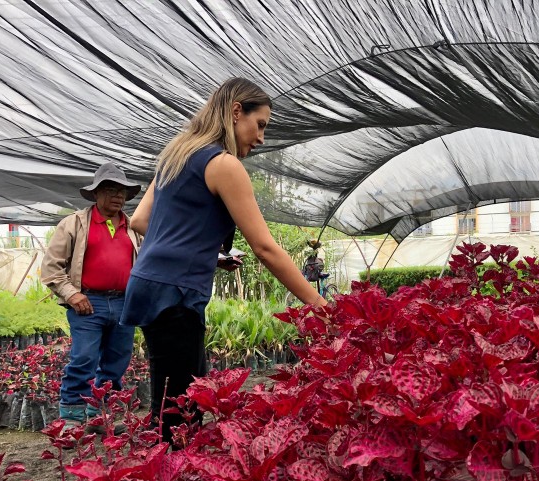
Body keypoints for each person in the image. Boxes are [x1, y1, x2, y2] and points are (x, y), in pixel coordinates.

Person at [122, 77, 327, 445]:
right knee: (181, 413)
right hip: (176, 295)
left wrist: (208, 256)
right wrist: (317, 303)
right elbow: (265, 248)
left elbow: (139, 220)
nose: (262, 137)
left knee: (174, 397)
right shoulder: (223, 164)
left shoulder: (176, 154)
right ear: (236, 112)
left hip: (149, 286)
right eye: (260, 124)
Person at [41, 162, 143, 433]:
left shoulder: (134, 226)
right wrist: (72, 294)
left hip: (124, 303)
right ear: (96, 194)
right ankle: (72, 417)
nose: (118, 196)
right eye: (110, 190)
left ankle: (101, 416)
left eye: (122, 191)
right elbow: (52, 268)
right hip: (88, 303)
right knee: (84, 358)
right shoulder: (74, 224)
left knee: (117, 361)